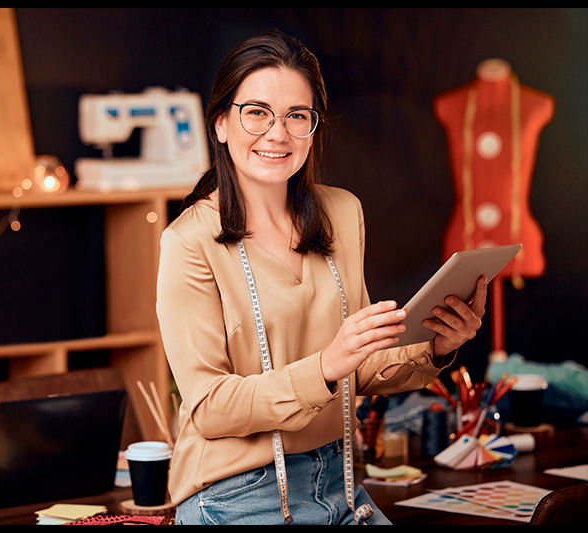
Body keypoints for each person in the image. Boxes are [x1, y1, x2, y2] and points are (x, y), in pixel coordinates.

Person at [156, 29, 487, 525]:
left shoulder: (341, 214)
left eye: (297, 116)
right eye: (257, 112)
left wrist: (436, 346)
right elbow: (209, 407)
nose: (278, 133)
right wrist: (326, 366)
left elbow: (361, 371)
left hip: (341, 481)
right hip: (236, 492)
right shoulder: (189, 242)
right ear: (221, 124)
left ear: (314, 127)